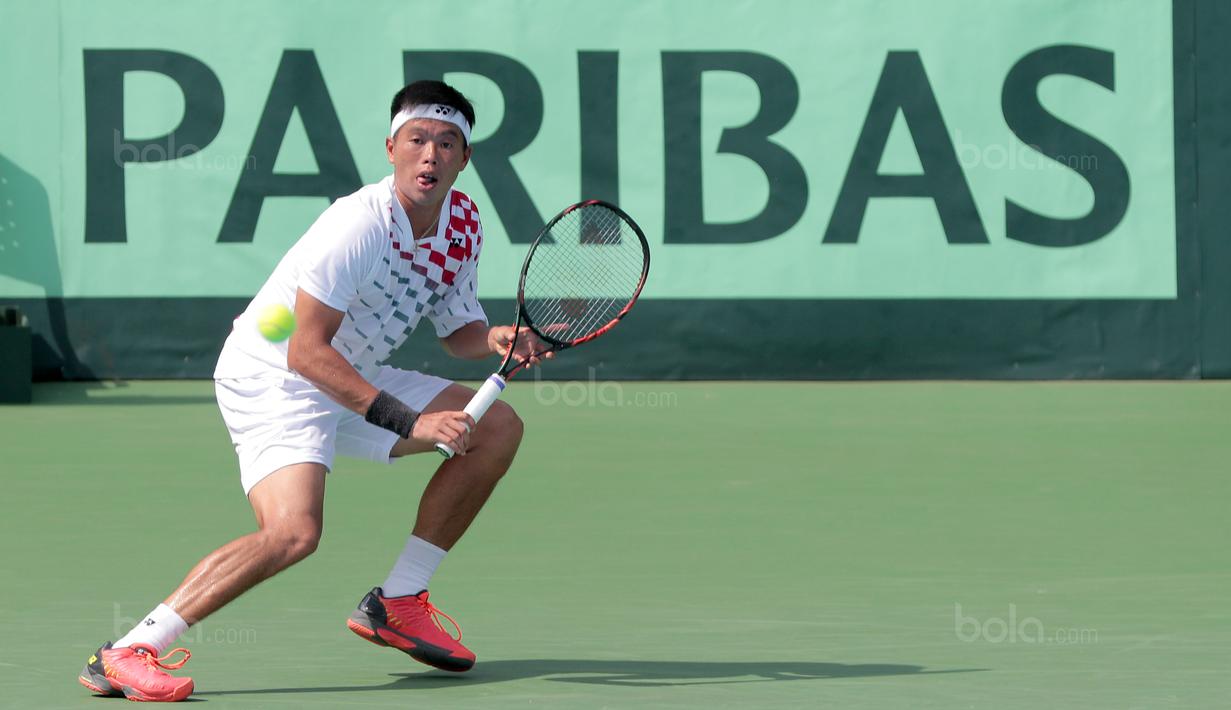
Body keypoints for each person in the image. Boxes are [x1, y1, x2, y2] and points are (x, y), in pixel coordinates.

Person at [78, 80, 545, 702]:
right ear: (391, 149)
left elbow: (456, 330)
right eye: (417, 140)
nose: (429, 154)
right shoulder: (356, 225)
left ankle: (400, 601)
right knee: (294, 532)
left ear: (465, 158)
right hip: (273, 373)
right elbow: (305, 351)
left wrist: (491, 339)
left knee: (496, 427)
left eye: (446, 142)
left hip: (349, 371)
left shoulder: (461, 224)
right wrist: (411, 423)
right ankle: (129, 650)